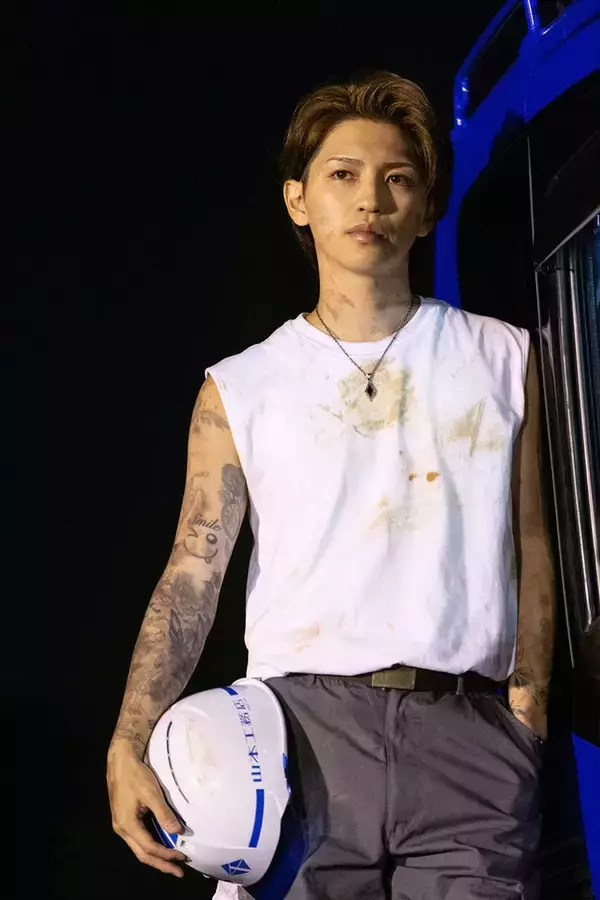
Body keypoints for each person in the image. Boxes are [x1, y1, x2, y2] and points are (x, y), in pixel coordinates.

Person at [107, 71, 556, 900]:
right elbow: (192, 574)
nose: (370, 200)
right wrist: (128, 741)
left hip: (468, 736)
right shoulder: (241, 387)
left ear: (426, 208)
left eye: (398, 179)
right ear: (298, 199)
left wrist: (525, 716)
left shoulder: (505, 356)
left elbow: (534, 541)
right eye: (343, 175)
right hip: (294, 743)